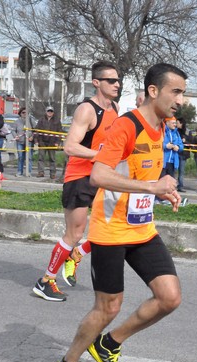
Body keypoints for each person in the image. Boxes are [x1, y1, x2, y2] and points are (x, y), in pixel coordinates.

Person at [46, 62, 185, 362]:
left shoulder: (162, 125)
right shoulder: (127, 126)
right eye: (176, 91)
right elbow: (98, 176)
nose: (181, 99)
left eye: (183, 92)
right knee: (107, 308)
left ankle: (109, 344)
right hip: (110, 231)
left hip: (142, 230)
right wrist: (152, 187)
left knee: (170, 297)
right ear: (154, 91)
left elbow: (139, 173)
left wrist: (161, 191)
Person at [32, 61, 120, 302]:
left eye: (118, 80)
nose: (116, 84)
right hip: (79, 177)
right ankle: (45, 281)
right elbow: (69, 146)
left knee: (112, 227)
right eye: (110, 80)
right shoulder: (87, 110)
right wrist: (102, 155)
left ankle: (76, 255)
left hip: (101, 177)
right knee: (74, 232)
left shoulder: (115, 108)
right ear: (96, 83)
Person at [36, 106, 63, 179]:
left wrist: (58, 141)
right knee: (41, 158)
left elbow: (59, 132)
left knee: (52, 159)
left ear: (53, 112)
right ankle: (41, 172)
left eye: (51, 111)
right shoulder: (41, 120)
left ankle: (53, 173)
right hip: (42, 142)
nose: (50, 112)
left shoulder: (57, 120)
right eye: (48, 111)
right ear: (46, 111)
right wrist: (37, 141)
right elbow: (37, 130)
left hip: (52, 142)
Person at [176, 117, 190, 192]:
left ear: (181, 123)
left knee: (181, 171)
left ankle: (180, 186)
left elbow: (191, 142)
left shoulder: (187, 132)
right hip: (176, 153)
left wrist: (185, 141)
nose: (176, 124)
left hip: (183, 154)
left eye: (177, 123)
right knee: (173, 170)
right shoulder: (175, 131)